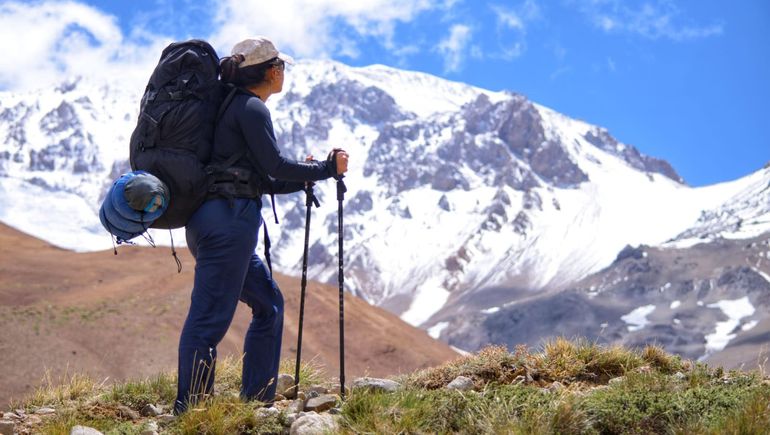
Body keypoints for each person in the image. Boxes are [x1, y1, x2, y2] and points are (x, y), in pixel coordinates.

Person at [174, 36, 349, 414]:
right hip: (229, 226)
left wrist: (307, 177)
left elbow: (261, 179)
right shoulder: (251, 108)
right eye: (281, 66)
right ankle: (191, 414)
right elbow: (275, 166)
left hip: (213, 220)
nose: (283, 72)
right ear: (271, 71)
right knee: (207, 322)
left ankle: (257, 401)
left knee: (268, 304)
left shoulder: (230, 107)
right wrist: (325, 169)